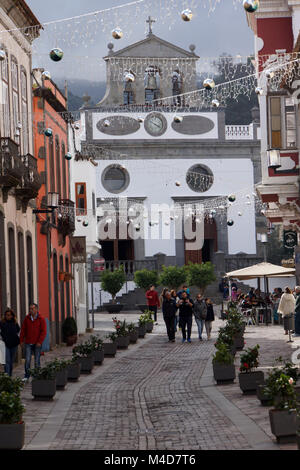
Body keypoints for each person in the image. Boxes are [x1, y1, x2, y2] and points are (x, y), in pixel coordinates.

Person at [20, 303, 47, 382]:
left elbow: (43, 332)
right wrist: (21, 340)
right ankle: (27, 376)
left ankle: (36, 375)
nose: (31, 310)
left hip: (37, 343)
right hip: (28, 342)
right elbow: (23, 330)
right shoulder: (27, 318)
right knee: (27, 359)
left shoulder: (41, 319)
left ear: (36, 309)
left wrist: (40, 341)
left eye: (32, 308)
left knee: (37, 360)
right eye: (30, 309)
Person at [0, 309, 20, 377]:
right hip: (5, 344)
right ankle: (7, 376)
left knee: (11, 361)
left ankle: (10, 375)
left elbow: (18, 331)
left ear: (12, 316)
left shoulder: (15, 323)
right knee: (7, 361)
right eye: (6, 315)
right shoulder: (2, 323)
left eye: (9, 315)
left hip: (14, 344)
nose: (7, 316)